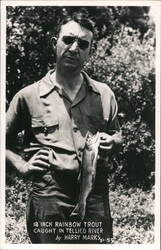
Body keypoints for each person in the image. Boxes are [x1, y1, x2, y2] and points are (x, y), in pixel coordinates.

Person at [6, 11, 122, 244]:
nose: (74, 47)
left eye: (82, 43)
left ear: (90, 51)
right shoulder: (28, 95)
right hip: (50, 194)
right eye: (68, 39)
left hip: (94, 193)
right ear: (54, 43)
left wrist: (114, 141)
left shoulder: (105, 94)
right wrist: (21, 165)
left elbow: (117, 134)